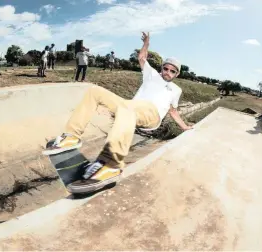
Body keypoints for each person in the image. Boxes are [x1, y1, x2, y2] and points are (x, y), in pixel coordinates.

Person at [43, 32, 193, 187]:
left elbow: (173, 111)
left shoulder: (176, 90)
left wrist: (185, 126)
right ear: (162, 68)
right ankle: (71, 136)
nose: (167, 73)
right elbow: (142, 58)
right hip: (131, 106)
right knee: (95, 92)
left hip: (152, 114)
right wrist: (146, 43)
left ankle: (111, 164)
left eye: (172, 71)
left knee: (128, 108)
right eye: (166, 69)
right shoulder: (152, 74)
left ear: (177, 74)